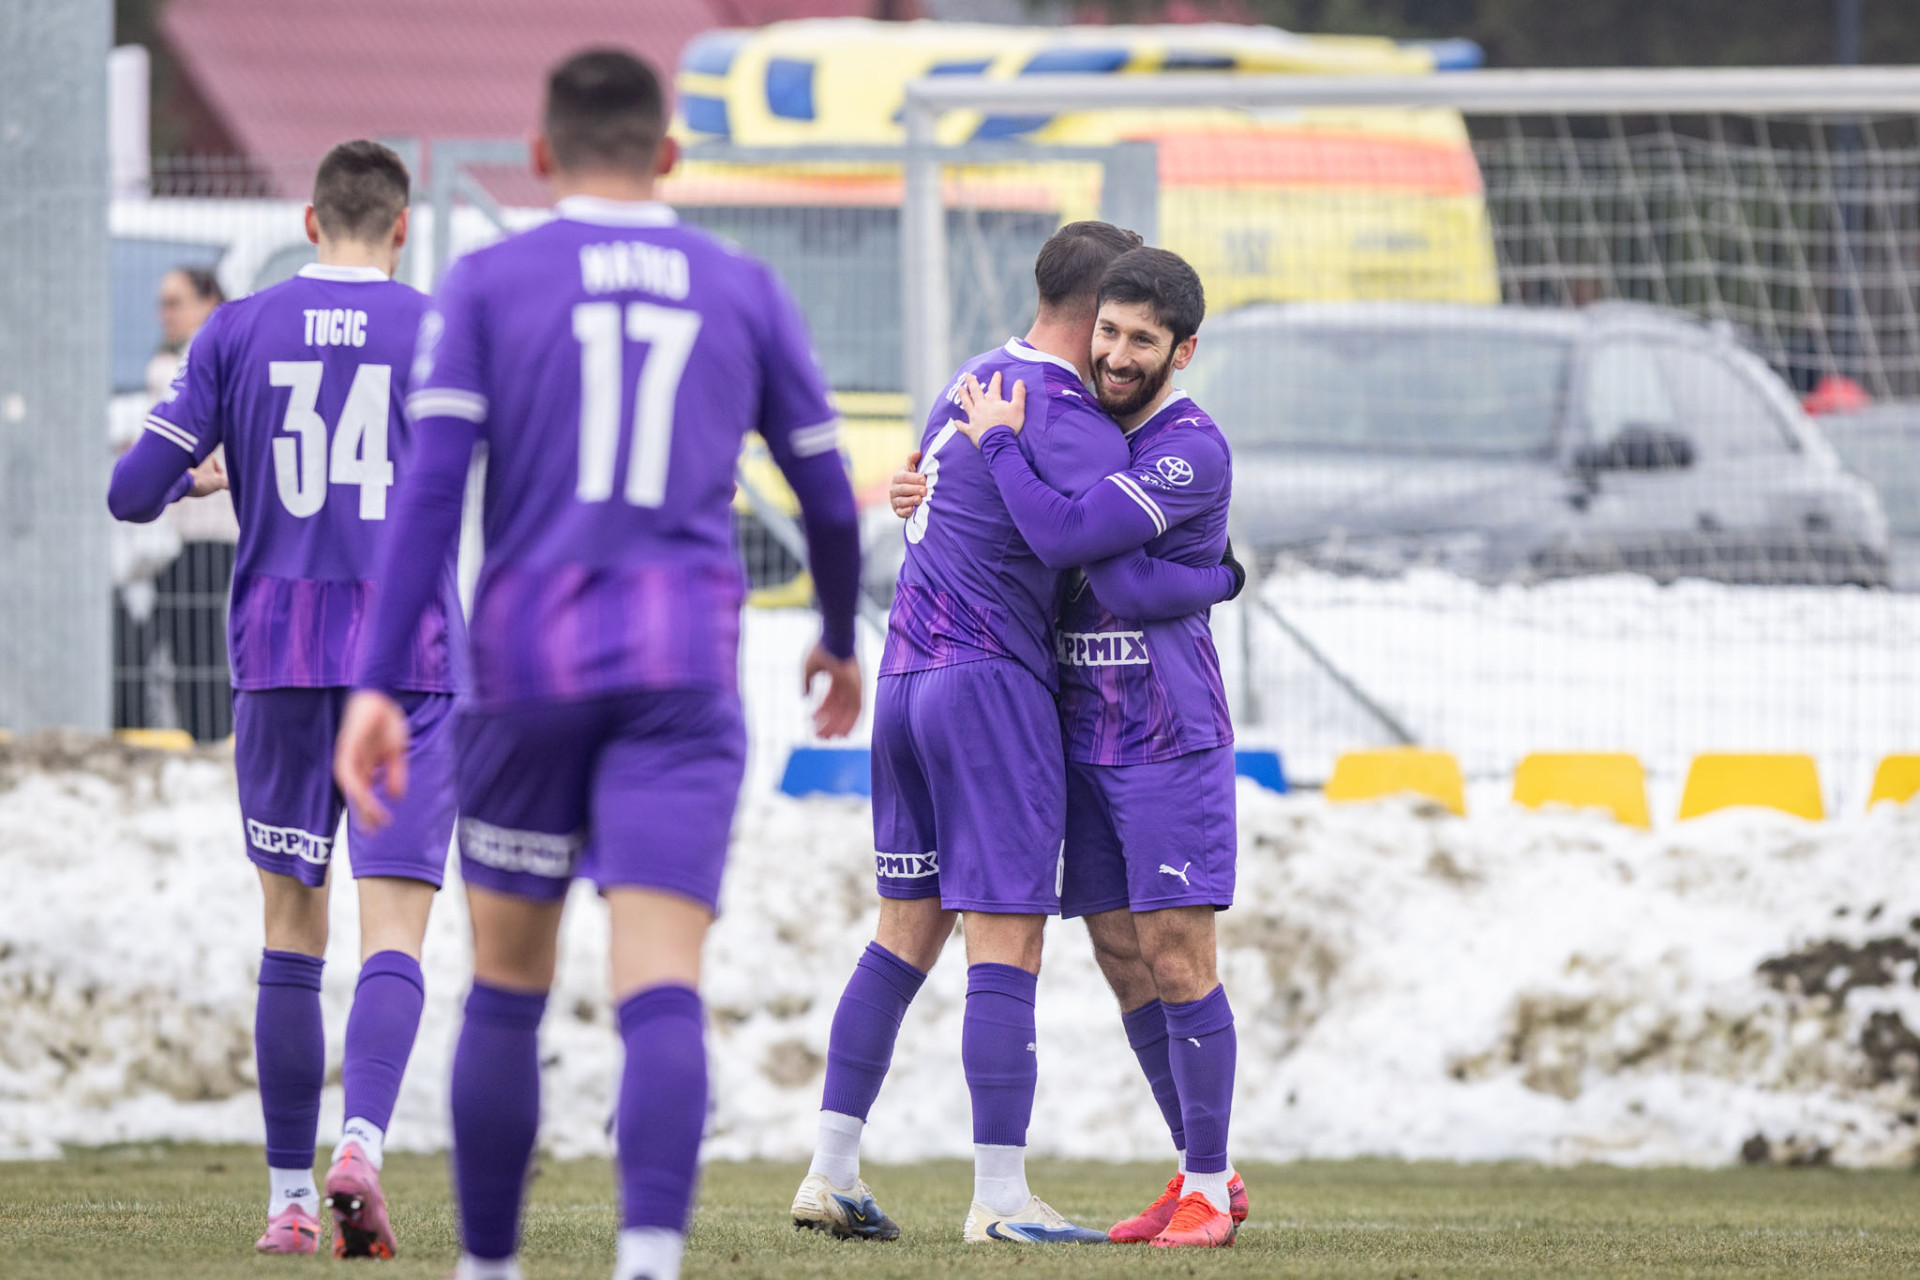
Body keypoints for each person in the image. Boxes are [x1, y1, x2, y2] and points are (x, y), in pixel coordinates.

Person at [332, 48, 862, 1280]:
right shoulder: (741, 284)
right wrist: (838, 632)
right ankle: (646, 1260)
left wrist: (375, 679)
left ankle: (490, 1266)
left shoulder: (489, 280)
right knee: (660, 980)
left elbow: (426, 495)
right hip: (682, 677)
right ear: (669, 155)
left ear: (537, 154)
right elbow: (830, 495)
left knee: (509, 983)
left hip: (525, 671)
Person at [789, 224, 1239, 1246]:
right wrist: (1222, 573)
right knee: (1009, 932)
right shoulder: (1066, 411)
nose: (1122, 355)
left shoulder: (975, 378)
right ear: (1096, 316)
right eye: (1115, 329)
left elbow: (923, 497)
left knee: (902, 930)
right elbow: (1100, 555)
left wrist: (929, 478)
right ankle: (1000, 1193)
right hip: (988, 686)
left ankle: (832, 1166)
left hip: (904, 671)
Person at [107, 140, 461, 1259]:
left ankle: (289, 1202)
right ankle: (362, 1137)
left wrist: (212, 467)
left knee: (291, 932)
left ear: (310, 222)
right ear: (401, 228)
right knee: (393, 925)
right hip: (407, 663)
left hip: (278, 659)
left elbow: (130, 492)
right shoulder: (440, 330)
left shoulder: (236, 327)